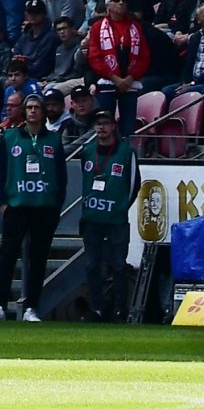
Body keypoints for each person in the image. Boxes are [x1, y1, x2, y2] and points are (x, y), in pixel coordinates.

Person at [0, 89, 67, 322]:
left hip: (44, 207)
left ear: (43, 113)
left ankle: (31, 307)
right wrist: (3, 202)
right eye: (29, 108)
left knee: (38, 259)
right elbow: (0, 171)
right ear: (24, 111)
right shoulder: (10, 137)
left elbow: (61, 176)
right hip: (16, 205)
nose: (33, 111)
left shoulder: (54, 139)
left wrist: (57, 204)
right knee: (8, 256)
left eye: (37, 108)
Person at [77, 109, 140, 323]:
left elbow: (134, 184)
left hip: (116, 220)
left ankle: (120, 310)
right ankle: (97, 308)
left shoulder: (126, 152)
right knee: (92, 265)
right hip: (92, 219)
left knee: (120, 265)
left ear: (114, 126)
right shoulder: (87, 151)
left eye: (105, 123)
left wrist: (121, 207)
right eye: (98, 124)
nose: (101, 127)